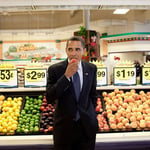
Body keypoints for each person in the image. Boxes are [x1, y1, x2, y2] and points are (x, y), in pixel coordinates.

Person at [46, 36, 98, 150]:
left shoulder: (91, 68)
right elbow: (50, 97)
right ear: (66, 50)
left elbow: (93, 95)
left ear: (84, 51)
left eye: (77, 49)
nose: (74, 53)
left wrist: (89, 113)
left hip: (86, 129)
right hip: (64, 129)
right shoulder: (55, 70)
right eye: (70, 49)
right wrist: (66, 76)